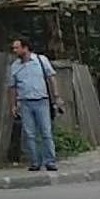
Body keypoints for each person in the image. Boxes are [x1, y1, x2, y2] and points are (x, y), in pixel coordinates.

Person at [7, 38, 62, 172]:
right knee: (30, 134)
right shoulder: (15, 66)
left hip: (41, 100)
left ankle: (50, 161)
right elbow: (12, 87)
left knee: (46, 132)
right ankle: (34, 162)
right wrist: (13, 105)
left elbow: (51, 77)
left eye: (17, 48)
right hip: (25, 102)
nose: (14, 51)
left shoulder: (41, 60)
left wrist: (56, 96)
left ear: (25, 48)